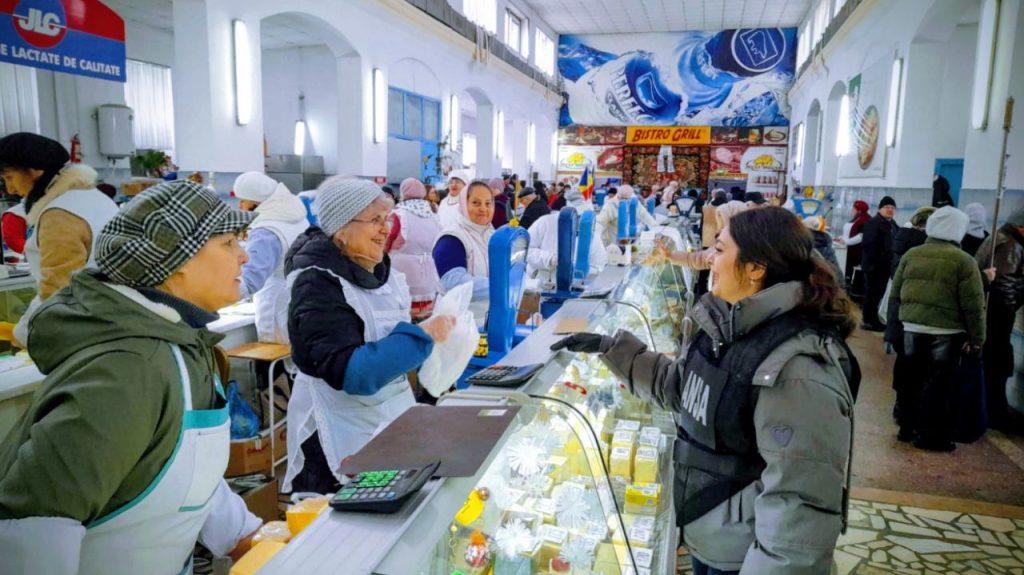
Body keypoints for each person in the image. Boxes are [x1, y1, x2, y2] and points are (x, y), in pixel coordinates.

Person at [552, 207, 860, 574]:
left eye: (720, 249)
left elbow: (799, 506)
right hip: (713, 535)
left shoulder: (796, 369)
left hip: (744, 555)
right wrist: (611, 348)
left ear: (755, 268)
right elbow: (683, 388)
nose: (708, 259)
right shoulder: (729, 325)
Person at [0, 181, 262, 574]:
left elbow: (180, 467)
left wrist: (247, 536)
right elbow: (34, 531)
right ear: (176, 258)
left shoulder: (182, 341)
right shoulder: (126, 368)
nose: (244, 256)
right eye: (228, 243)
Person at [283, 177, 455, 493]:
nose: (385, 229)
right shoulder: (316, 284)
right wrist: (422, 336)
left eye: (386, 219)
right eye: (375, 220)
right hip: (337, 433)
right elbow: (353, 372)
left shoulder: (381, 272)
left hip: (387, 420)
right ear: (341, 228)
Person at [0, 133, 119, 348]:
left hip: (86, 333)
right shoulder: (96, 198)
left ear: (35, 170)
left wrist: (24, 334)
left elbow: (58, 291)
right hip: (114, 321)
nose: (10, 189)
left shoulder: (60, 214)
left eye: (9, 177)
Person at [891, 206, 985, 451]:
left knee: (911, 381)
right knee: (938, 386)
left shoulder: (912, 254)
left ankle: (906, 428)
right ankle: (931, 437)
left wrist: (895, 327)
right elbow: (974, 305)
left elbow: (895, 294)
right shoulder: (964, 261)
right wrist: (977, 337)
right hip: (946, 333)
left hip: (911, 327)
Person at [232, 171, 309, 343]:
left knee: (278, 355)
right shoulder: (296, 217)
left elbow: (251, 279)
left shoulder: (266, 230)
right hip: (302, 299)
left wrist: (216, 296)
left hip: (276, 305)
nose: (240, 205)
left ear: (256, 201)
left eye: (243, 200)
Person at [883, 206, 936, 434]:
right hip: (919, 318)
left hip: (901, 315)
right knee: (918, 371)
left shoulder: (902, 241)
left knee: (905, 363)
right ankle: (910, 416)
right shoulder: (922, 250)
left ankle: (902, 409)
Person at [975, 207, 1024, 433]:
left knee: (992, 362)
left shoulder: (999, 237)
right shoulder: (1011, 245)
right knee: (997, 363)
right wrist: (1012, 305)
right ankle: (995, 413)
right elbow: (1005, 283)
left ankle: (991, 409)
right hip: (998, 314)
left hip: (989, 311)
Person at [433, 180, 496, 324]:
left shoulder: (491, 234)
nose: (483, 209)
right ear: (463, 204)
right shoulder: (452, 238)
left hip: (488, 317)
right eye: (476, 203)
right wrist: (500, 286)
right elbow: (453, 282)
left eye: (488, 203)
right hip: (458, 321)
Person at [525, 188, 607, 287]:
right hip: (540, 282)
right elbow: (525, 250)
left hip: (573, 286)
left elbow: (599, 264)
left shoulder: (590, 232)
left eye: (582, 217)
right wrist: (550, 259)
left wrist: (581, 270)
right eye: (576, 216)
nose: (579, 221)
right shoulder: (545, 223)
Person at [386, 178, 442, 320]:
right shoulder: (433, 215)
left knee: (403, 314)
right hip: (429, 273)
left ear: (403, 193)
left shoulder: (398, 215)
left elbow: (387, 241)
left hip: (401, 272)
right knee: (426, 316)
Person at [651, 200, 748, 271]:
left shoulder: (742, 248)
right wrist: (670, 255)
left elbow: (700, 259)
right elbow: (699, 259)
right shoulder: (724, 243)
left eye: (722, 223)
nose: (719, 228)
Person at [860, 196, 899, 330]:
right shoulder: (873, 223)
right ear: (880, 209)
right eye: (887, 207)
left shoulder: (892, 224)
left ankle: (873, 318)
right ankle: (868, 321)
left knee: (878, 294)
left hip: (886, 267)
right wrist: (876, 261)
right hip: (875, 267)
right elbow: (868, 244)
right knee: (872, 294)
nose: (890, 210)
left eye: (892, 208)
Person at [837, 200, 871, 287]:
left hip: (856, 252)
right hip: (847, 249)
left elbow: (860, 237)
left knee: (849, 270)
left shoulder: (865, 220)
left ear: (859, 210)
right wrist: (841, 238)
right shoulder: (857, 219)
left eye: (854, 209)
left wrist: (846, 241)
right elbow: (848, 233)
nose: (852, 210)